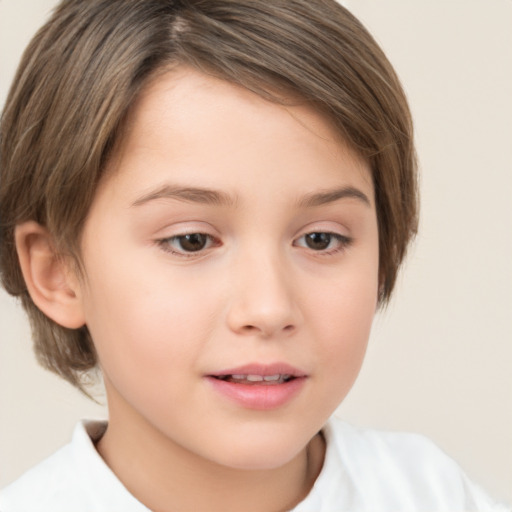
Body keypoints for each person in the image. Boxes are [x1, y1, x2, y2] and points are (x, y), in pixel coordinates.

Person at [0, 1, 508, 510]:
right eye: (191, 240)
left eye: (320, 239)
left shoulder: (433, 495)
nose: (268, 309)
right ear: (58, 271)